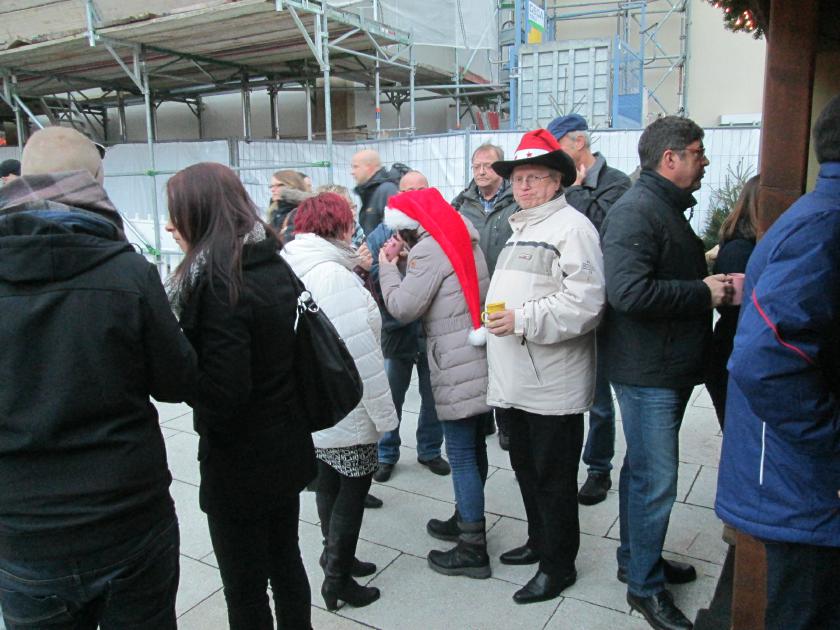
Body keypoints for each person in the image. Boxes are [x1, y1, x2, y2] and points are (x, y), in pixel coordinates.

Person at [0, 127, 196, 629]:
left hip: (23, 529)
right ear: (96, 181)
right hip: (126, 514)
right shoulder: (128, 272)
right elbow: (177, 382)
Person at [166, 162, 316, 629]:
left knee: (245, 585)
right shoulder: (270, 261)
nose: (169, 225)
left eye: (176, 214)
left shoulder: (219, 281)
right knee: (285, 558)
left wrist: (176, 367)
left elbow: (224, 392)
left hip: (241, 461)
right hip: (286, 441)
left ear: (199, 214)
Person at [600, 116, 732, 630]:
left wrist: (705, 275)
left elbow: (660, 272)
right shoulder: (637, 210)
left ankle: (638, 559)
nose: (705, 161)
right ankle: (644, 588)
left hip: (662, 364)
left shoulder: (661, 206)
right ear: (669, 158)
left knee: (642, 471)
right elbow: (628, 293)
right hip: (647, 371)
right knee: (656, 479)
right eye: (698, 152)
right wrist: (703, 292)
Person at [716, 95, 840, 630]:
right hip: (805, 484)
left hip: (801, 481)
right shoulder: (823, 225)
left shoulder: (817, 218)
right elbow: (765, 360)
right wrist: (832, 437)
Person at [483, 129, 605, 604]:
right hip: (517, 380)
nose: (524, 186)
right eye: (519, 178)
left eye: (534, 178)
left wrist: (521, 318)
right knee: (526, 470)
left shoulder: (573, 229)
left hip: (551, 384)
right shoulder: (521, 228)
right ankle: (539, 541)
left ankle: (558, 566)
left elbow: (586, 304)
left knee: (553, 481)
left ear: (557, 182)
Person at [281, 193, 398, 611]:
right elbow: (359, 355)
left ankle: (334, 555)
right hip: (344, 402)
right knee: (353, 484)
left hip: (314, 402)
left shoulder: (295, 261)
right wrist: (383, 415)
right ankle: (338, 579)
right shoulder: (333, 275)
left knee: (329, 478)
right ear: (340, 227)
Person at [378, 187, 492, 579]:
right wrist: (412, 259)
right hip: (477, 356)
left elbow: (403, 307)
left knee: (460, 453)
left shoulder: (428, 251)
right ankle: (466, 517)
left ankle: (473, 546)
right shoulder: (462, 235)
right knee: (474, 445)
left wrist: (388, 267)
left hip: (454, 363)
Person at [547, 114, 632, 506]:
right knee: (567, 389)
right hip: (564, 298)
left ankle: (599, 468)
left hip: (605, 305)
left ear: (578, 142)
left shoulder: (616, 183)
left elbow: (600, 229)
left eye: (557, 144)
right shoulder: (560, 183)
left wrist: (578, 194)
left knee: (599, 398)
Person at [367, 170, 449, 485]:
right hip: (397, 327)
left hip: (432, 329)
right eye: (407, 190)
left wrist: (412, 258)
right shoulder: (385, 229)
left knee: (433, 396)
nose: (414, 195)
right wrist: (397, 264)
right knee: (392, 396)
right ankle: (386, 454)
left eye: (420, 189)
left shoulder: (441, 227)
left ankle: (430, 450)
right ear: (398, 195)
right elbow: (372, 271)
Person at [451, 143, 520, 448]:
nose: (480, 171)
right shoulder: (461, 203)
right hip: (473, 291)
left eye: (487, 165)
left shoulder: (517, 200)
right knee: (477, 360)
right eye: (476, 166)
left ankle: (507, 423)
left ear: (501, 168)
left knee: (504, 360)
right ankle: (483, 419)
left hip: (507, 291)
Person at [705, 175, 759, 429]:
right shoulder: (741, 249)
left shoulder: (739, 245)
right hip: (733, 350)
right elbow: (733, 308)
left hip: (731, 349)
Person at [351, 149, 399, 235]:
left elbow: (395, 230)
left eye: (356, 167)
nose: (352, 172)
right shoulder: (369, 192)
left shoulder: (387, 190)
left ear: (368, 167)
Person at [267, 169, 314, 242]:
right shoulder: (275, 210)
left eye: (280, 185)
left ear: (294, 186)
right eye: (272, 186)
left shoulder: (303, 212)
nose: (273, 189)